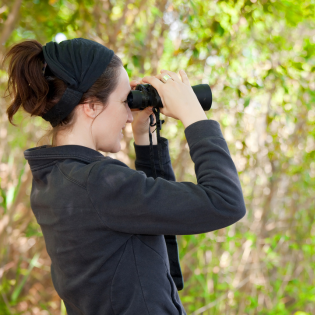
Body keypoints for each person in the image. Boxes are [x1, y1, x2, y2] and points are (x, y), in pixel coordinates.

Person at [3, 38, 246, 315]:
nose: (129, 117)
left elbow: (152, 216)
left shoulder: (56, 178)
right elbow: (226, 202)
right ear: (91, 106)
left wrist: (146, 135)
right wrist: (194, 115)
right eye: (123, 102)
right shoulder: (97, 182)